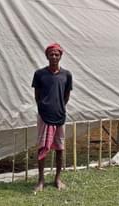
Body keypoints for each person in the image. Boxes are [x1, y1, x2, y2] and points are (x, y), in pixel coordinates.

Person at [32, 43, 72, 191]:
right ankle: (41, 180)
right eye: (51, 54)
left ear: (60, 56)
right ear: (47, 56)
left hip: (60, 116)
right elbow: (37, 96)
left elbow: (66, 96)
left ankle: (57, 179)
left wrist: (58, 107)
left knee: (60, 148)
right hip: (44, 116)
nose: (54, 56)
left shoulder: (66, 75)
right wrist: (44, 108)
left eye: (57, 54)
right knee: (42, 147)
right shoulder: (39, 74)